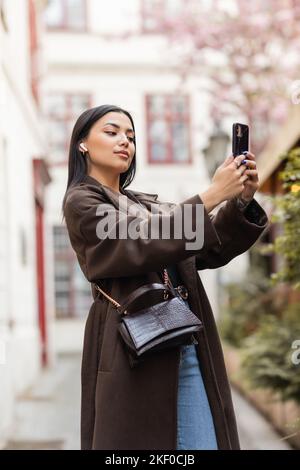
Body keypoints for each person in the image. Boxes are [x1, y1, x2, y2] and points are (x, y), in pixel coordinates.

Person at [62, 104, 268, 450]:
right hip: (134, 352)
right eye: (111, 132)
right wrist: (213, 194)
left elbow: (207, 248)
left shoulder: (145, 205)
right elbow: (140, 241)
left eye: (130, 136)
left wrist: (241, 200)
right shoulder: (81, 202)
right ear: (82, 144)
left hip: (186, 344)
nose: (124, 142)